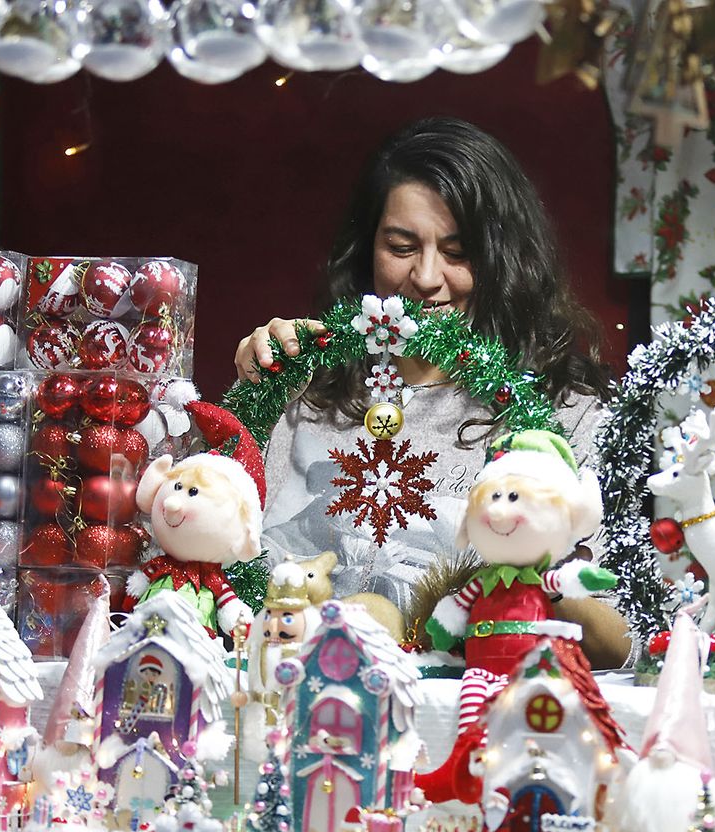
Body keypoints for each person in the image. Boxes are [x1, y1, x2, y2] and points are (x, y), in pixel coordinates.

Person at [233, 117, 629, 665]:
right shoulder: (307, 384)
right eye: (401, 246)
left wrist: (533, 572)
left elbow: (620, 637)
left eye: (458, 251)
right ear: (367, 248)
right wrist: (257, 390)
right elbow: (215, 553)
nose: (425, 276)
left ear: (506, 259)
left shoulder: (565, 413)